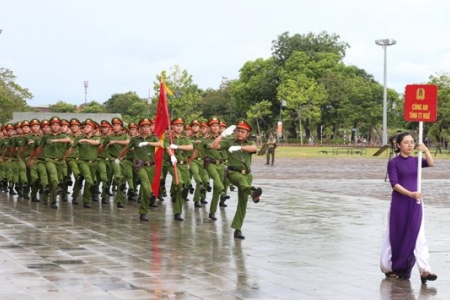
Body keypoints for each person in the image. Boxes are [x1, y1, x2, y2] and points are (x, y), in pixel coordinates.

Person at [380, 132, 437, 284]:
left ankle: (424, 270)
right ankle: (392, 267)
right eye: (406, 142)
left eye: (412, 142)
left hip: (416, 203)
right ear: (398, 145)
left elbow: (431, 163)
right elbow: (395, 184)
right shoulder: (394, 162)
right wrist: (410, 194)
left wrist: (425, 150)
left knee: (418, 234)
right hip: (400, 203)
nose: (410, 145)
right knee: (396, 234)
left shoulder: (416, 161)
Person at [210, 119, 262, 239]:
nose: (239, 133)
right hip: (233, 173)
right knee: (241, 181)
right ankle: (252, 192)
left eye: (243, 131)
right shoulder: (229, 142)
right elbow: (213, 146)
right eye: (238, 131)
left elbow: (254, 149)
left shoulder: (250, 143)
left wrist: (239, 148)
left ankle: (238, 229)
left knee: (243, 203)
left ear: (247, 134)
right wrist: (222, 135)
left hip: (247, 174)